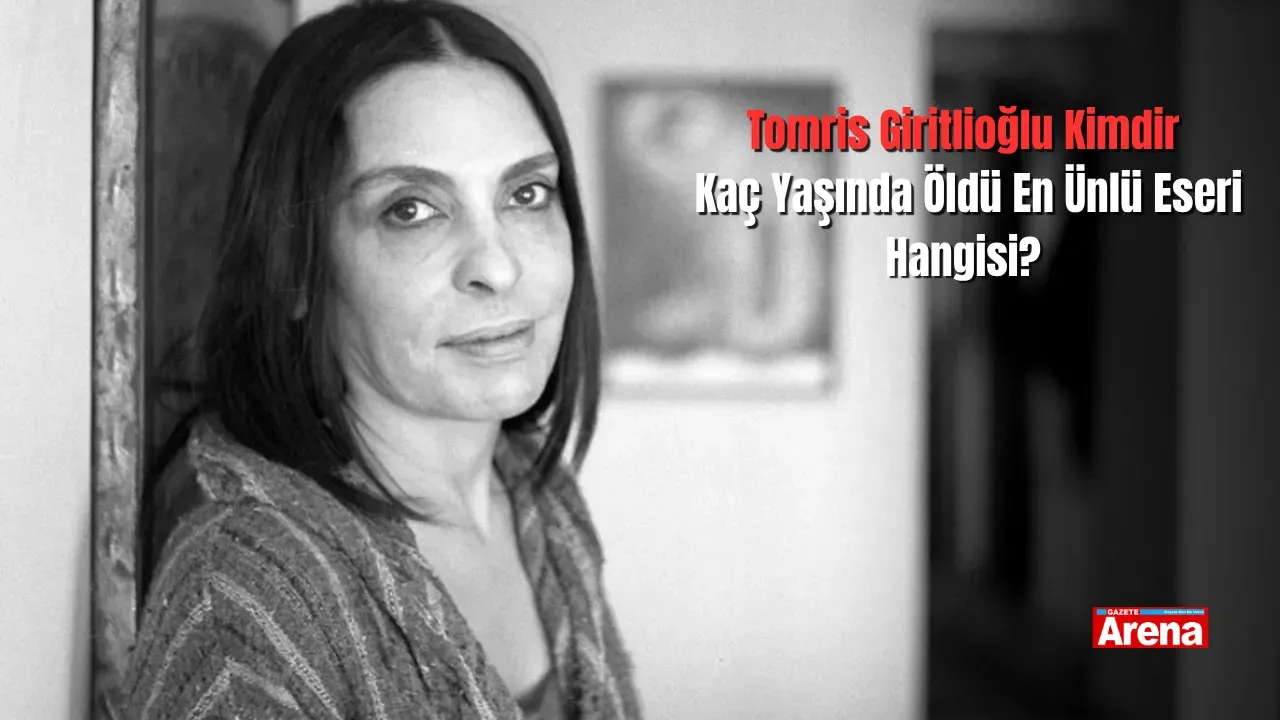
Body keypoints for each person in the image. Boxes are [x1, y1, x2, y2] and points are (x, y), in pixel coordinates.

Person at [121, 2, 642, 718]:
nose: (497, 267)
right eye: (411, 209)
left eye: (526, 195)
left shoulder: (541, 500)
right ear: (297, 270)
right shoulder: (241, 603)